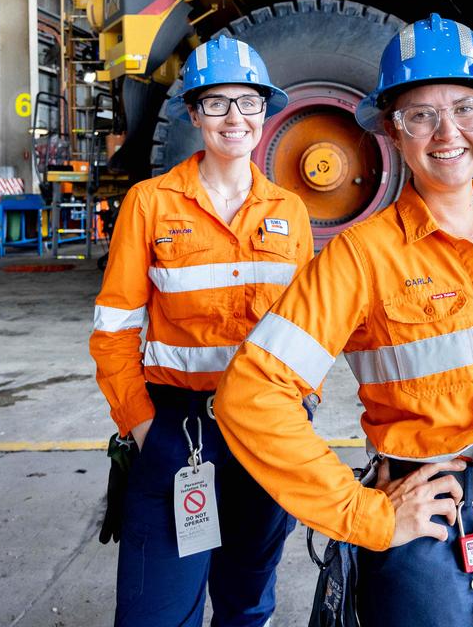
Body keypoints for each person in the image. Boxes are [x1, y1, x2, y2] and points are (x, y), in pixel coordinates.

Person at [213, 14, 473, 626]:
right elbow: (252, 395)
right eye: (421, 115)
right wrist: (362, 513)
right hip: (428, 525)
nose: (447, 132)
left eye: (464, 108)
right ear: (393, 131)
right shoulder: (362, 256)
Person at [89, 35, 312, 626]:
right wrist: (141, 426)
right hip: (176, 426)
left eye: (248, 103)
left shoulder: (290, 213)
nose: (234, 118)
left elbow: (309, 329)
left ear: (267, 112)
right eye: (216, 103)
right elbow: (113, 328)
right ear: (193, 113)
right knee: (156, 612)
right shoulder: (149, 204)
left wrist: (303, 404)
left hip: (268, 427)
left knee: (246, 597)